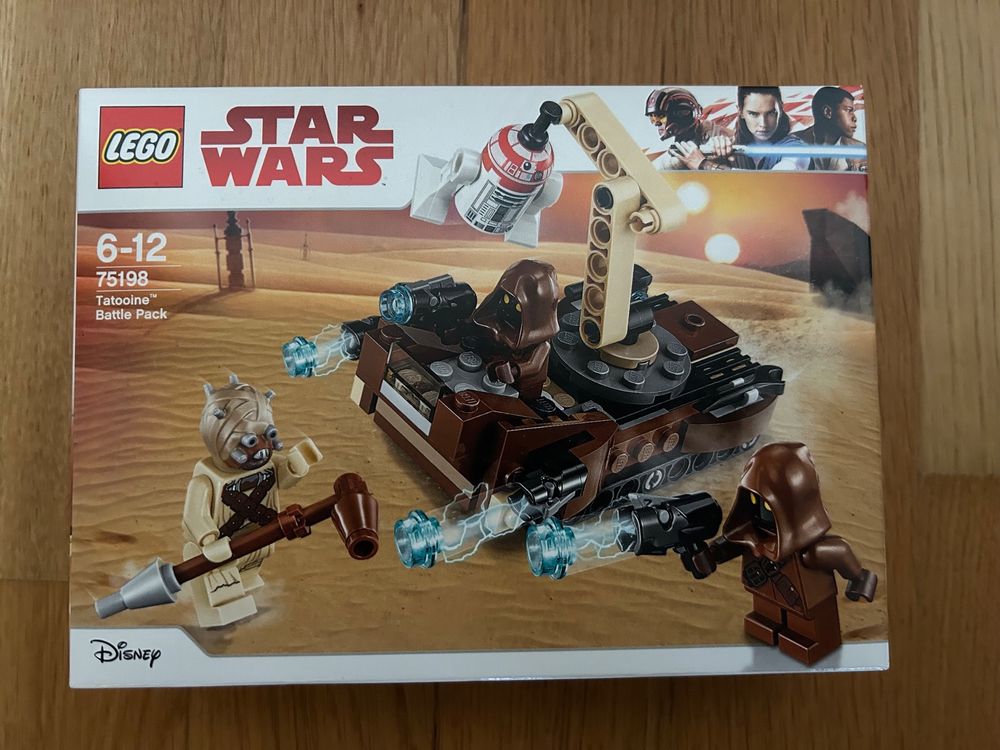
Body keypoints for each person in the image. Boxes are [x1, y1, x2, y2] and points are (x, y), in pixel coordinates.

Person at [689, 86, 809, 171]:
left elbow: (773, 184)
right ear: (740, 111)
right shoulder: (732, 143)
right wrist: (714, 155)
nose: (763, 124)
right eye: (753, 114)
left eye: (770, 113)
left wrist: (706, 165)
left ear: (781, 109)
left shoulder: (796, 149)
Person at [644, 87, 732, 171]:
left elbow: (736, 175)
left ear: (681, 114)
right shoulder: (679, 144)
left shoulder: (722, 137)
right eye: (653, 119)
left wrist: (703, 164)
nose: (656, 123)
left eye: (661, 117)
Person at [795, 86, 866, 171]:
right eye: (848, 110)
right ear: (827, 112)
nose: (854, 118)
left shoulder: (860, 151)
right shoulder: (792, 143)